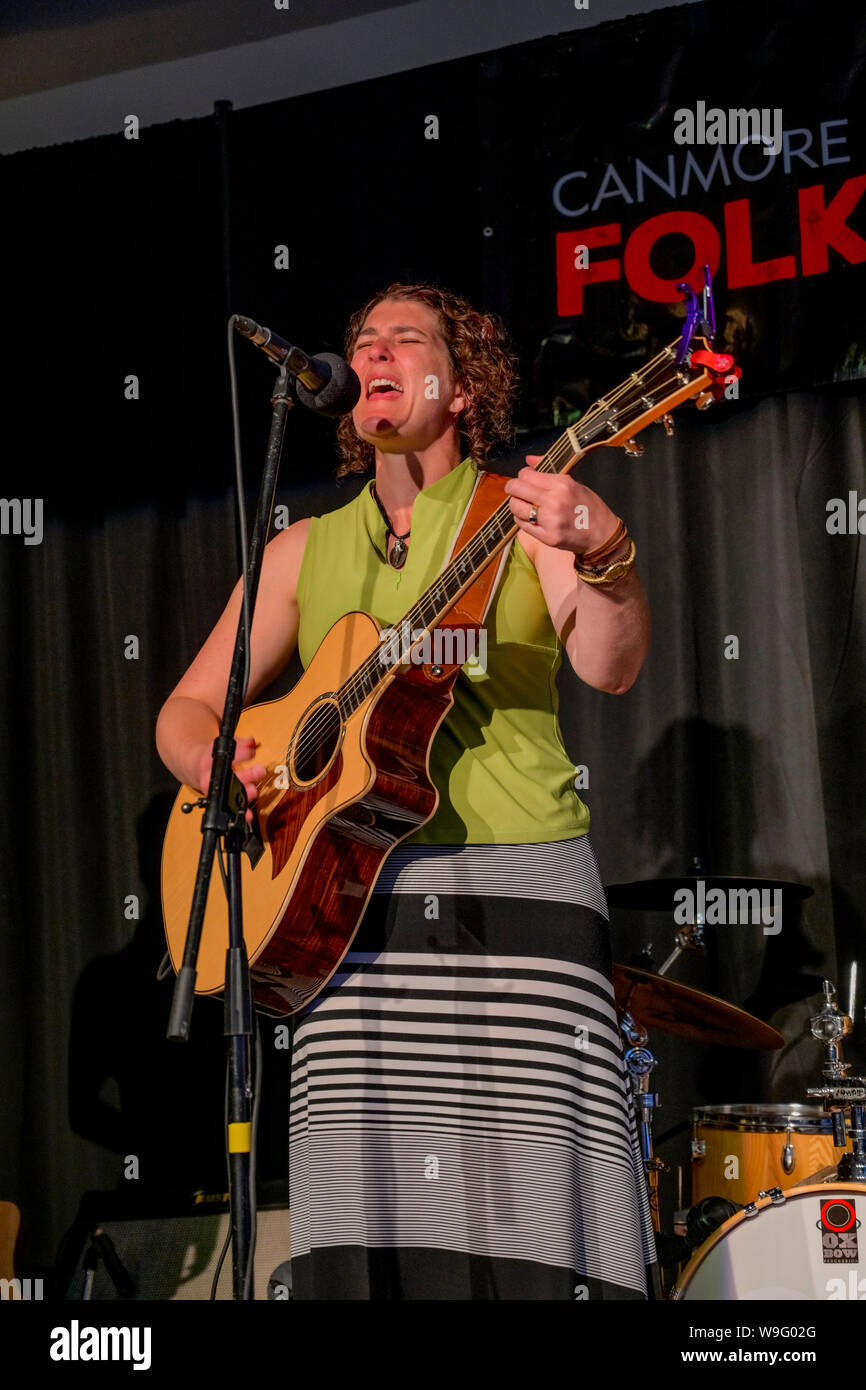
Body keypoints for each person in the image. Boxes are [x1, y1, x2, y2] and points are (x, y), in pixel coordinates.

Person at [156, 281, 655, 1300]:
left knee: (538, 1233)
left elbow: (609, 664)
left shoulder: (516, 514)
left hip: (520, 896)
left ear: (459, 385)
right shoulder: (301, 548)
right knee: (372, 1244)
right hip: (342, 917)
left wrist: (601, 548)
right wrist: (221, 765)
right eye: (363, 340)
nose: (375, 352)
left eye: (405, 339)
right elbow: (183, 712)